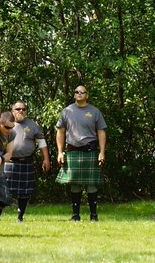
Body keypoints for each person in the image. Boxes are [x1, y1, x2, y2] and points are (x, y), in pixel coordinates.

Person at [55, 85, 107, 221]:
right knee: (75, 184)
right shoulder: (67, 111)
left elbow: (101, 132)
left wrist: (102, 152)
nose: (79, 94)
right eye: (76, 92)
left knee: (91, 184)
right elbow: (60, 132)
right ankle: (75, 215)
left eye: (82, 92)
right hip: (72, 151)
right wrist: (60, 152)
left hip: (89, 151)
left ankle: (93, 215)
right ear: (74, 95)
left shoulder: (94, 111)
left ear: (87, 95)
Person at [3, 100, 51, 223]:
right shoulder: (7, 123)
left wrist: (46, 159)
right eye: (18, 109)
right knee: (3, 190)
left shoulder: (33, 126)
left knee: (24, 192)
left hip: (26, 163)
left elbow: (42, 143)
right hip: (9, 162)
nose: (21, 111)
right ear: (13, 110)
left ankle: (20, 216)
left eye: (23, 109)